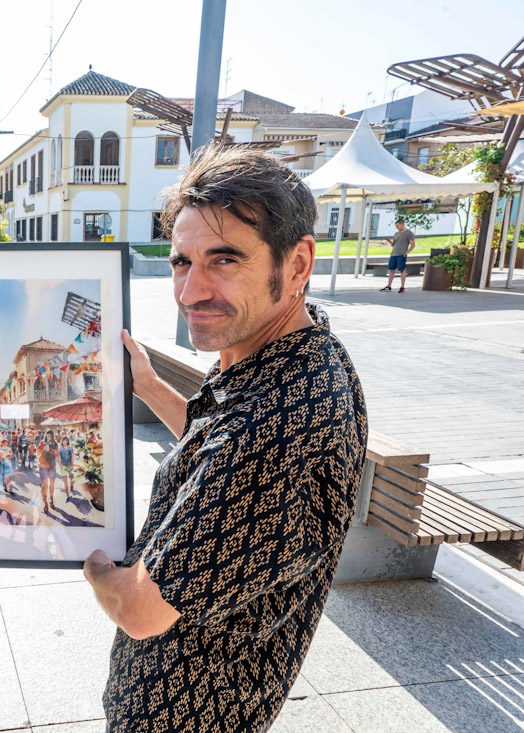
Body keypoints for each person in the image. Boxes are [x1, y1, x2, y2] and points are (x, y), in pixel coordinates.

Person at [82, 145, 368, 733]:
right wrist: (151, 387)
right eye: (181, 262)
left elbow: (139, 611)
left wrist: (94, 564)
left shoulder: (271, 428)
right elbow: (218, 450)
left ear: (296, 264)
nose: (190, 292)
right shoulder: (301, 353)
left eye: (225, 259)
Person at [380, 218, 416, 293]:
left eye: (398, 226)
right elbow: (394, 244)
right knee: (391, 270)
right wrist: (390, 242)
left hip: (401, 254)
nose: (397, 228)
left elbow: (413, 244)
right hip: (394, 254)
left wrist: (406, 252)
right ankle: (389, 285)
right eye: (396, 226)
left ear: (402, 224)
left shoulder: (409, 233)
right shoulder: (396, 234)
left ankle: (402, 286)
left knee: (402, 270)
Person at [36, 430, 60, 514]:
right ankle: (45, 503)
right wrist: (41, 449)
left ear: (52, 436)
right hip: (43, 466)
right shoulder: (42, 443)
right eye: (47, 436)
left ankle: (51, 500)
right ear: (46, 436)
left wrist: (51, 451)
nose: (48, 437)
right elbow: (37, 454)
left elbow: (57, 455)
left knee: (52, 485)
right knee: (44, 486)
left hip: (52, 466)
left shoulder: (55, 444)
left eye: (50, 436)